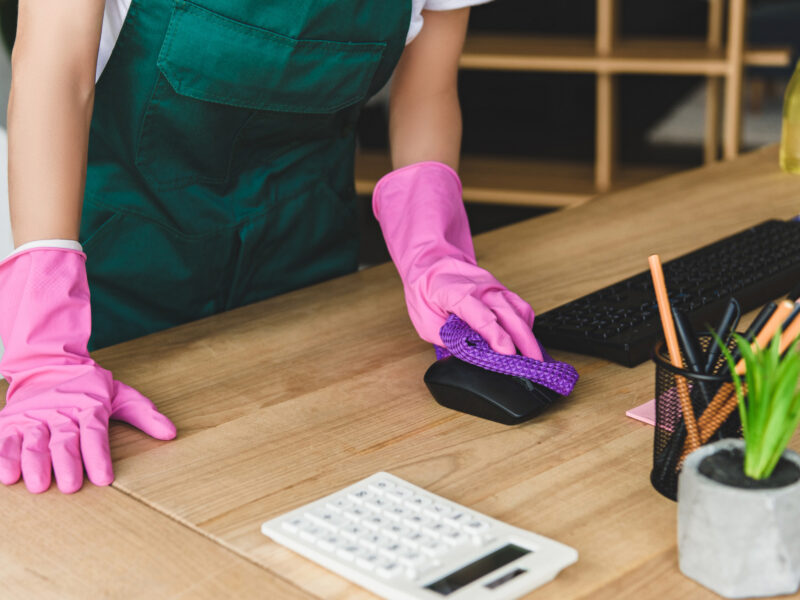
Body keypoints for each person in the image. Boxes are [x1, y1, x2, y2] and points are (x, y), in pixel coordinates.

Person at [0, 0, 543, 495]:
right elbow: (54, 74)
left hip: (305, 260)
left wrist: (436, 252)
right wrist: (45, 345)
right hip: (118, 266)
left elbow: (428, 89)